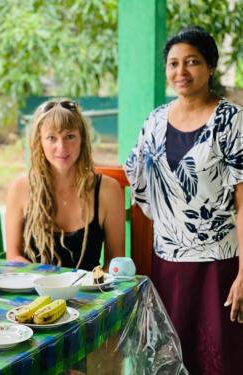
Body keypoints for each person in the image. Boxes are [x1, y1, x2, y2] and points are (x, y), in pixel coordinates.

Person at [125, 26, 243, 374]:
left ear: (210, 67)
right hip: (168, 262)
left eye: (192, 61)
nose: (182, 71)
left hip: (219, 264)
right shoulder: (156, 120)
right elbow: (139, 179)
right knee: (171, 358)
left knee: (221, 358)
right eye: (174, 63)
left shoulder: (233, 121)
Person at [6, 99, 125, 270]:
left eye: (70, 136)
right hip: (34, 291)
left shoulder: (107, 190)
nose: (62, 147)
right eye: (52, 138)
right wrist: (49, 285)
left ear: (82, 138)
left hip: (90, 292)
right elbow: (13, 256)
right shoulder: (20, 188)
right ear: (40, 141)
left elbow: (115, 261)